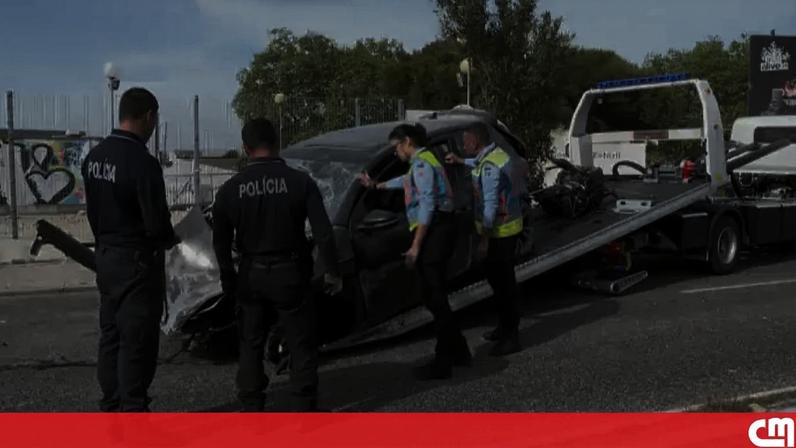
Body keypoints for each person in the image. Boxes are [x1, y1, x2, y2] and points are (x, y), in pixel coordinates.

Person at [212, 118, 342, 412]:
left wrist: (227, 278)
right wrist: (332, 271)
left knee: (250, 343)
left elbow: (220, 241)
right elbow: (324, 233)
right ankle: (303, 410)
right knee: (300, 342)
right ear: (277, 143)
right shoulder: (300, 182)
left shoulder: (230, 189)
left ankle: (252, 408)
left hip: (251, 274)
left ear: (246, 148)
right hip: (291, 273)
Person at [82, 87, 177, 412]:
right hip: (137, 264)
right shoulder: (143, 163)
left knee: (110, 336)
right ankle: (134, 416)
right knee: (137, 343)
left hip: (106, 257)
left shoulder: (93, 158)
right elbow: (156, 224)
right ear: (148, 116)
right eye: (155, 119)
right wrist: (172, 240)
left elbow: (92, 213)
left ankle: (110, 409)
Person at [358, 123, 471, 380]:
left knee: (434, 297)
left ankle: (444, 362)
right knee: (434, 296)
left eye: (396, 147)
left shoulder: (421, 164)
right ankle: (460, 351)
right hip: (441, 228)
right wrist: (377, 186)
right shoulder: (425, 160)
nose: (396, 152)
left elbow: (427, 205)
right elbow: (407, 182)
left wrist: (415, 247)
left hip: (435, 232)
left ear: (407, 142)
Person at [446, 121, 525, 356]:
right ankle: (504, 327)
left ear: (476, 141)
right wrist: (461, 161)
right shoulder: (494, 155)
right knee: (500, 283)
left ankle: (511, 337)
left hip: (500, 233)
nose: (462, 144)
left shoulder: (490, 166)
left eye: (465, 141)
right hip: (507, 228)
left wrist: (484, 241)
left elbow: (490, 207)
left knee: (504, 286)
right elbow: (479, 163)